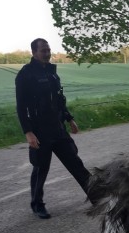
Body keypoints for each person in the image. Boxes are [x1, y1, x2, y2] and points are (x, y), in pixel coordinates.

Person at [16, 38, 91, 219]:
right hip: (39, 130)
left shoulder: (52, 73)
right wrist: (28, 132)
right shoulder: (25, 75)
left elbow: (58, 100)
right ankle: (37, 204)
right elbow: (21, 107)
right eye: (43, 50)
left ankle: (97, 195)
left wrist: (69, 119)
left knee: (76, 163)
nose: (47, 53)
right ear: (34, 52)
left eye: (48, 50)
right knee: (41, 168)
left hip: (58, 128)